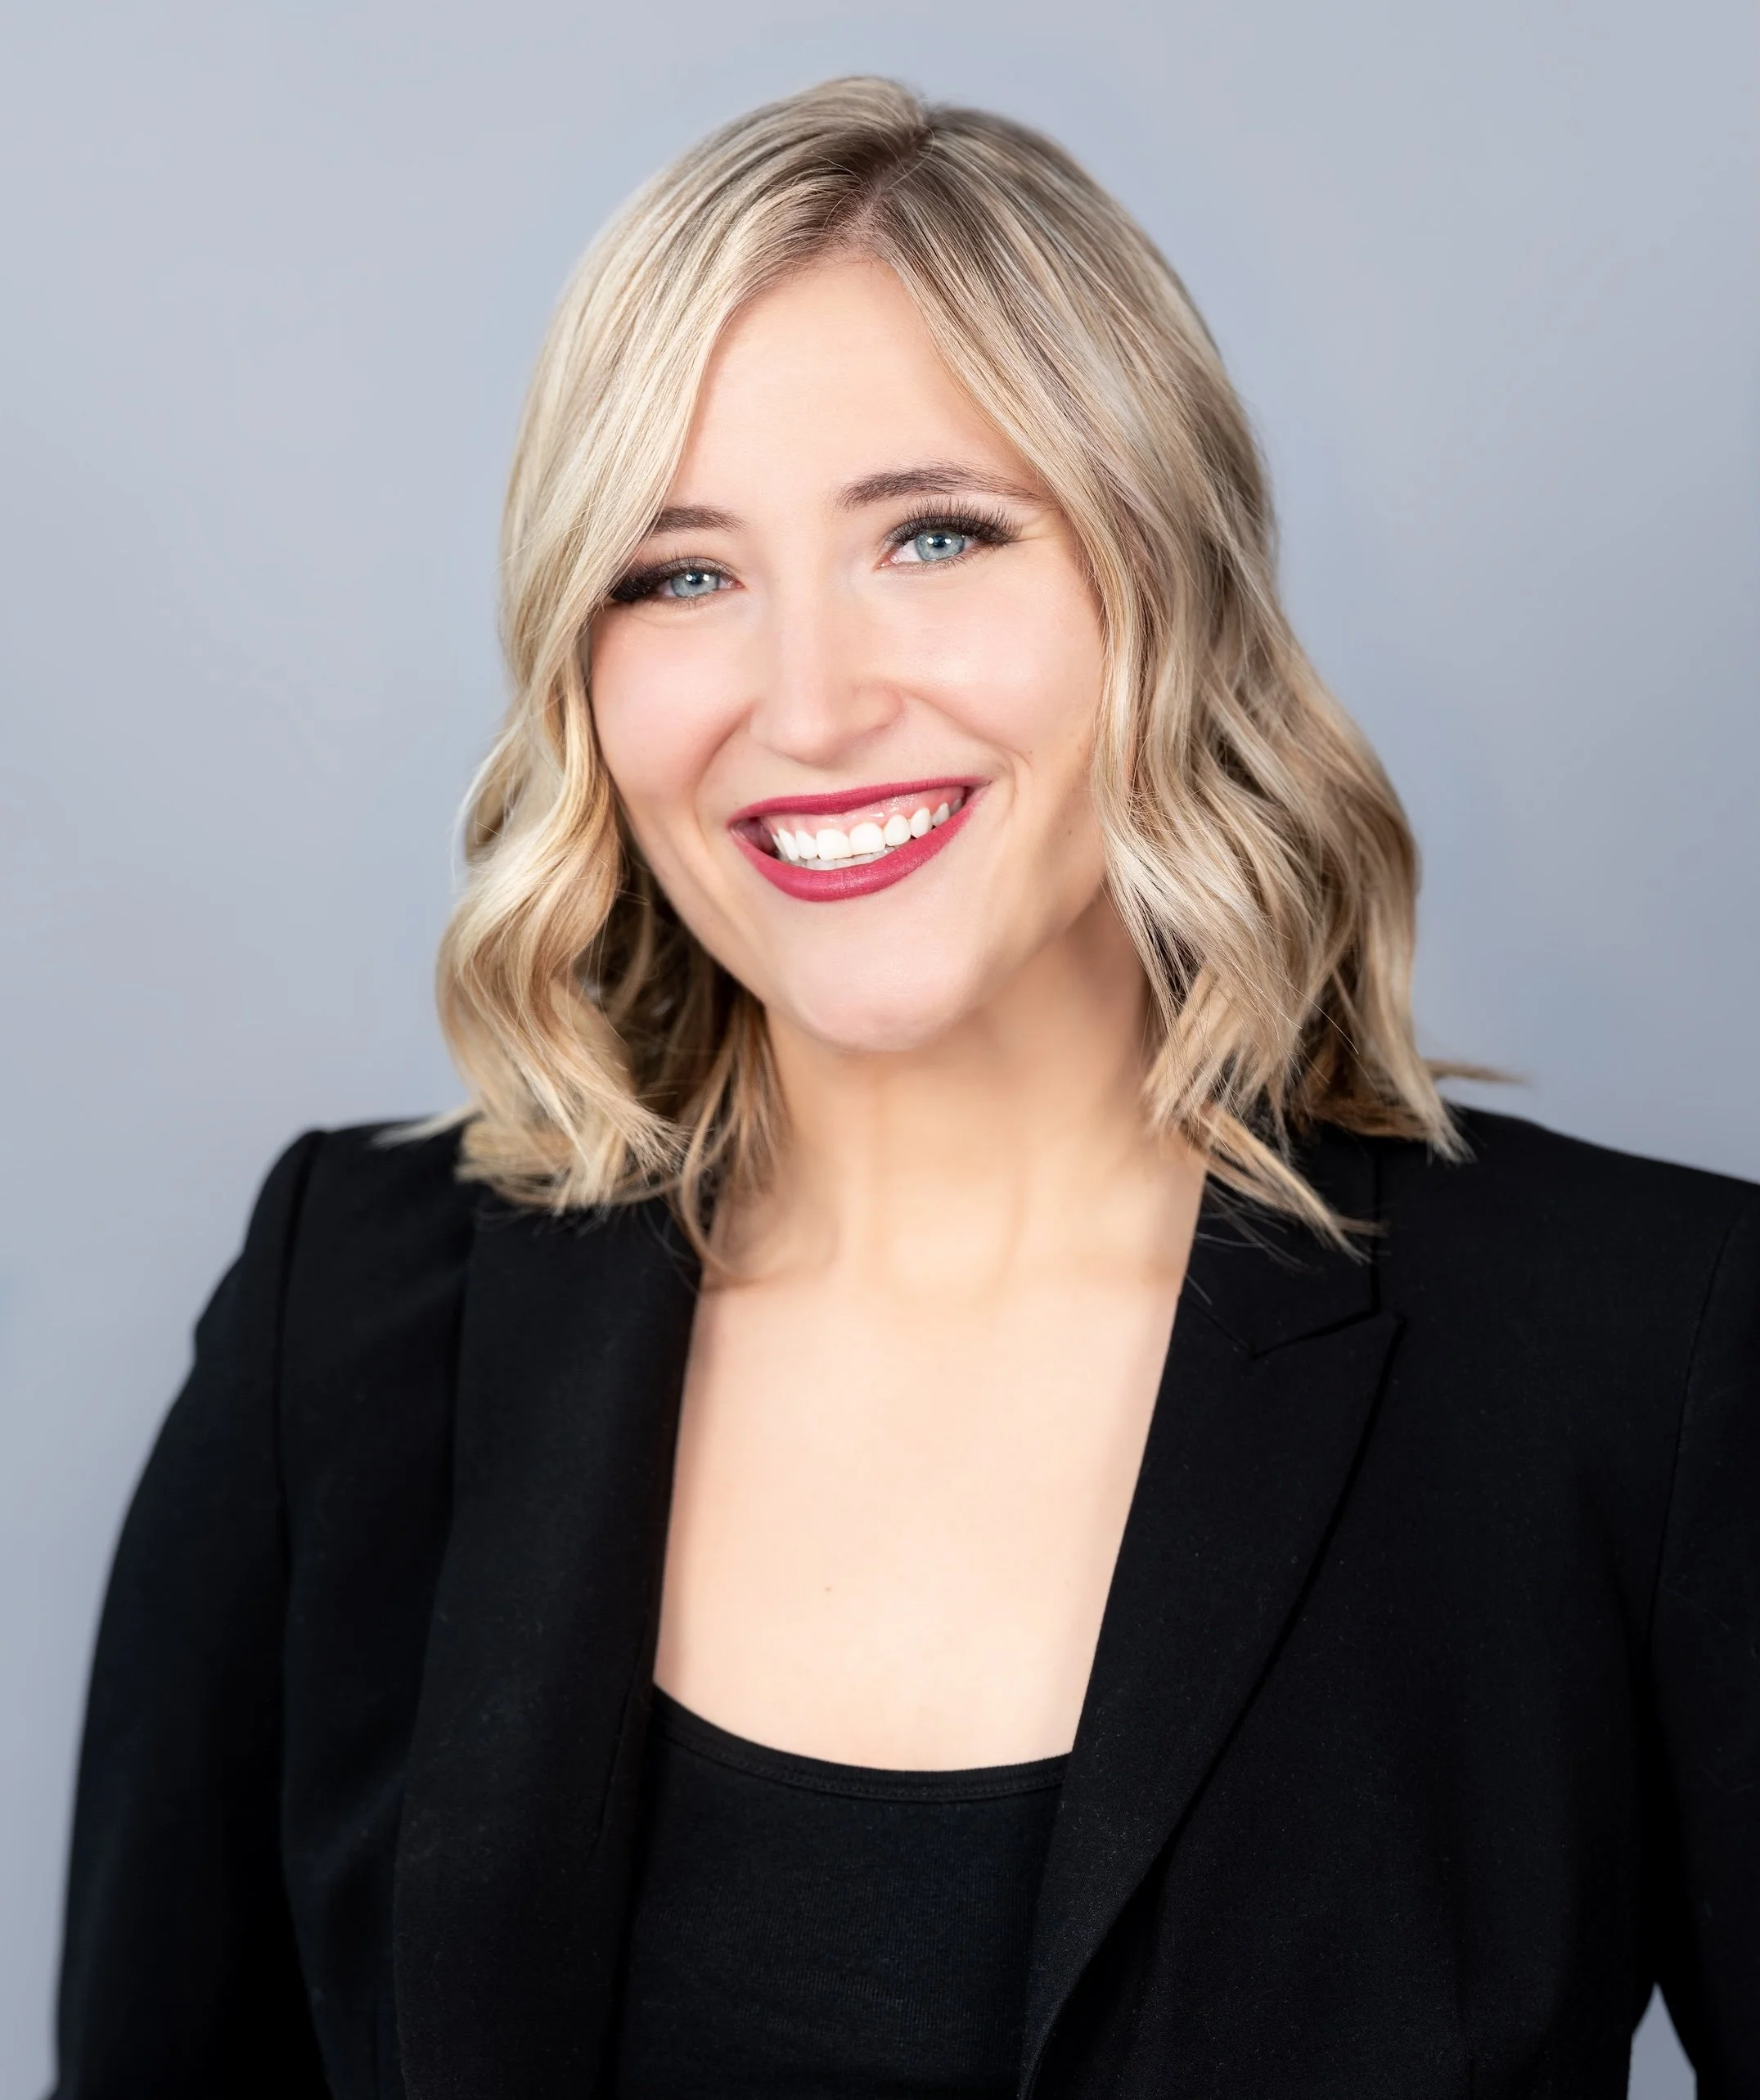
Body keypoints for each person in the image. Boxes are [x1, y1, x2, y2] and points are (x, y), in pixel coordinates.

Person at [52, 76, 1757, 2100]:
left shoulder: (1645, 1356)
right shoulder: (340, 1323)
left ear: (1162, 580)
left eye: (933, 535)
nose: (810, 704)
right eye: (679, 574)